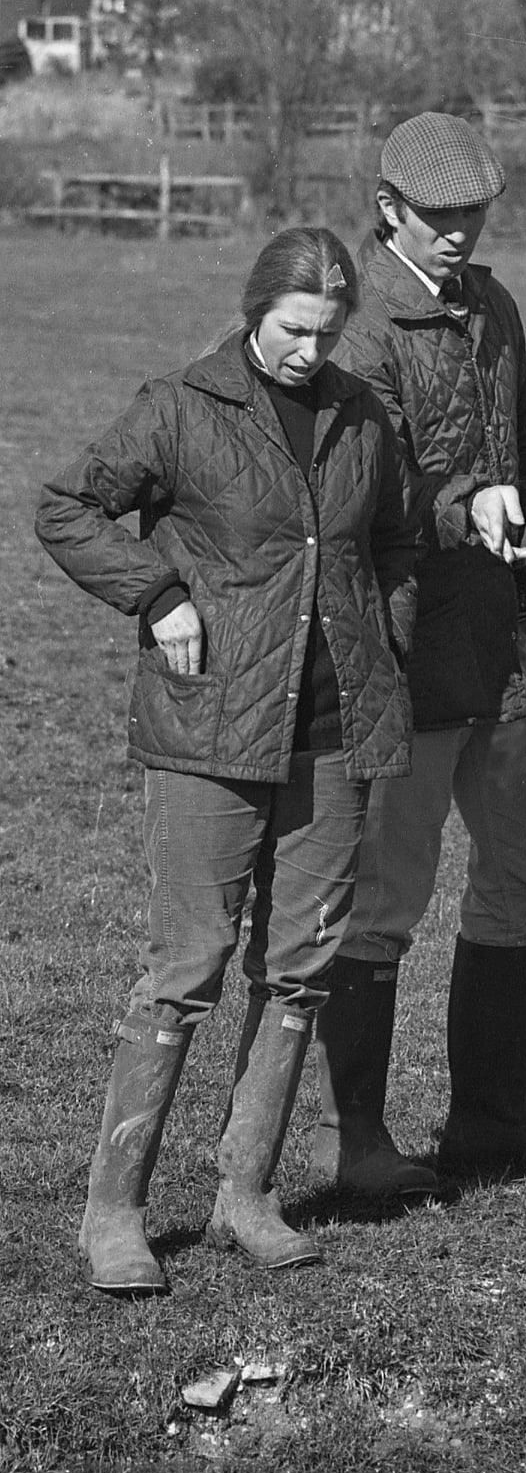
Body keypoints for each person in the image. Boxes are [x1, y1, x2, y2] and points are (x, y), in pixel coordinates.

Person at [35, 227, 421, 1294]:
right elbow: (66, 506)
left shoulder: (361, 415)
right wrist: (156, 595)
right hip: (210, 729)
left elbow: (395, 540)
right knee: (186, 969)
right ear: (257, 309)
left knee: (300, 971)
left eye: (328, 333)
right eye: (296, 328)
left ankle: (244, 1191)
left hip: (338, 732)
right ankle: (113, 1211)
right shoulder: (180, 406)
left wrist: (385, 630)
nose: (310, 350)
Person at [308, 111, 526, 1197]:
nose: (458, 233)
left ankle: (487, 1120)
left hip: (501, 654)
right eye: (439, 216)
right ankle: (358, 1144)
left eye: (473, 214)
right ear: (389, 208)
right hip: (399, 662)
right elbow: (364, 495)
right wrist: (462, 504)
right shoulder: (357, 333)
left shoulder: (493, 304)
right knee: (382, 902)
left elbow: (524, 433)